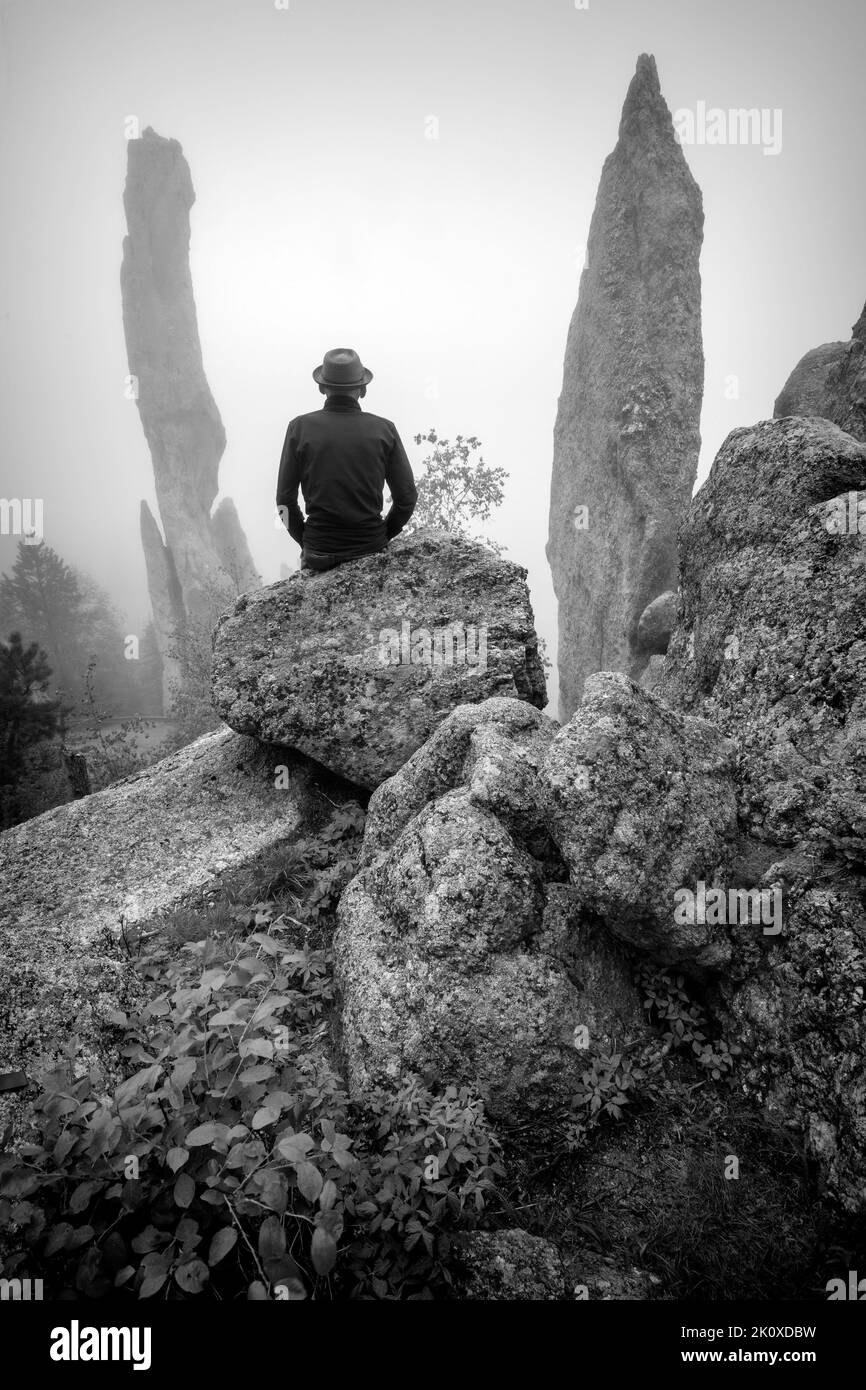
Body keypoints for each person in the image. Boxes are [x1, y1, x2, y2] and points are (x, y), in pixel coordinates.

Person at [276, 348, 418, 572]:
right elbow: (407, 498)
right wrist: (381, 535)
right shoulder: (384, 430)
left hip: (318, 553)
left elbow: (283, 501)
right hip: (370, 548)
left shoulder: (299, 428)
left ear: (322, 387)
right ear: (362, 390)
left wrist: (308, 541)